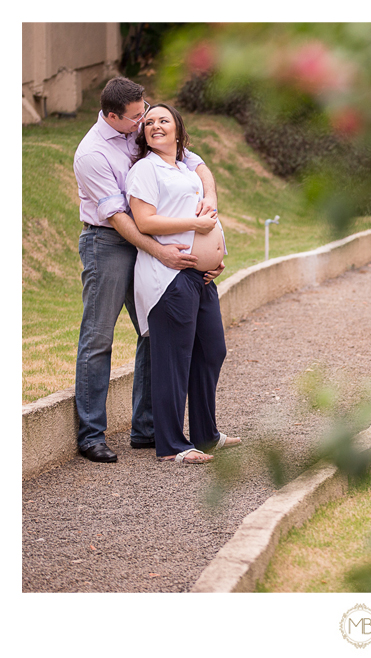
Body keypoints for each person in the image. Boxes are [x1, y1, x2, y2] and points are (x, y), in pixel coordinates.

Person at [73, 77, 222, 463]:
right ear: (112, 116)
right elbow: (123, 218)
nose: (145, 121)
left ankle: (147, 428)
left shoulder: (139, 134)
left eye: (147, 112)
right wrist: (161, 252)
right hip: (108, 241)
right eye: (138, 116)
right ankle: (91, 434)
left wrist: (209, 198)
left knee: (154, 332)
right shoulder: (92, 154)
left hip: (149, 241)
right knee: (98, 337)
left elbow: (196, 163)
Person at [126, 103, 240, 464]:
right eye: (148, 122)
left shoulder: (184, 166)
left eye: (163, 120)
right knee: (172, 360)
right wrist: (195, 226)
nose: (155, 126)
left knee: (211, 350)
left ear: (178, 128)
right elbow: (144, 222)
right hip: (169, 277)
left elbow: (205, 198)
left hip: (201, 277)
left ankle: (206, 435)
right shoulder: (145, 170)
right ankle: (172, 445)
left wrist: (214, 253)